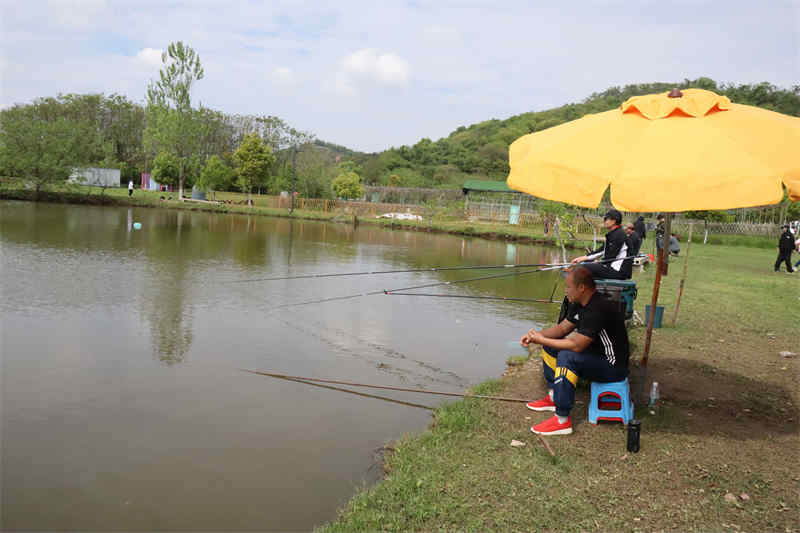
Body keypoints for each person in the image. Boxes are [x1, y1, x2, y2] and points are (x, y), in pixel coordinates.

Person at [521, 266, 630, 436]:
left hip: (613, 366)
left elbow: (577, 345)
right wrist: (536, 335)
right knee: (551, 345)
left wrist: (541, 339)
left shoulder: (598, 307)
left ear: (581, 288)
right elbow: (562, 328)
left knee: (567, 356)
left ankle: (562, 420)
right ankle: (553, 397)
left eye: (568, 287)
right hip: (595, 356)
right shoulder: (579, 303)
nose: (566, 291)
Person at [570, 208, 633, 280]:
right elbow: (602, 250)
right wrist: (583, 258)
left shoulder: (619, 235)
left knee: (584, 267)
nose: (604, 221)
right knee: (586, 262)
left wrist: (599, 263)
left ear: (613, 221)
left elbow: (611, 256)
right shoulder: (615, 233)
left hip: (618, 271)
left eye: (606, 219)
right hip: (612, 267)